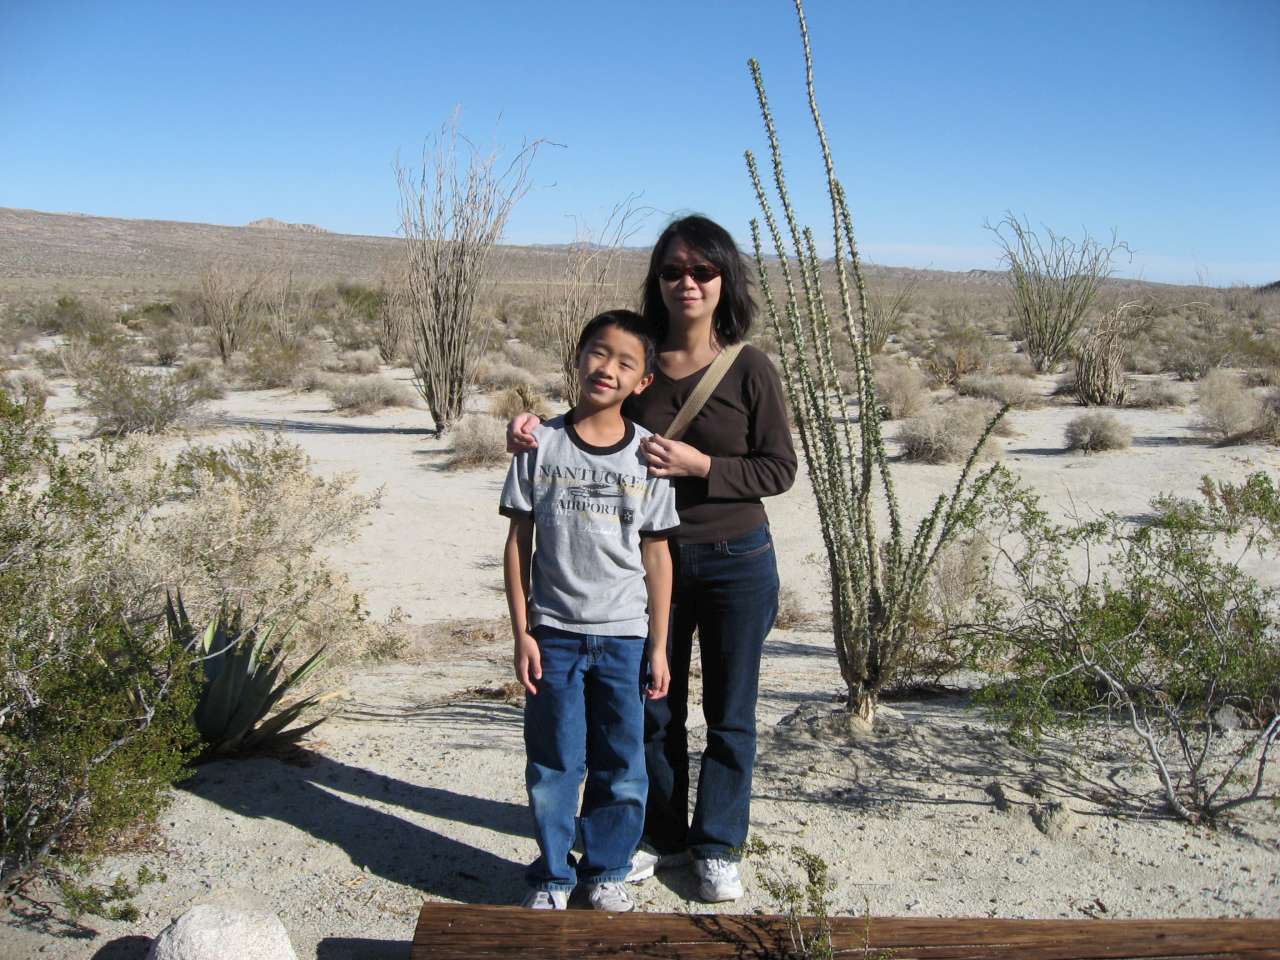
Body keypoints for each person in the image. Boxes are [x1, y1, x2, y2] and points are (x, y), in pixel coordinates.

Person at [508, 215, 797, 903]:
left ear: (726, 281)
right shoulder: (637, 357)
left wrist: (704, 465)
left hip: (735, 560)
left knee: (730, 713)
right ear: (657, 280)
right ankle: (658, 835)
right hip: (643, 570)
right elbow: (589, 418)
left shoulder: (749, 367)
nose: (688, 283)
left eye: (703, 271)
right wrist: (526, 427)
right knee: (653, 710)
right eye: (674, 271)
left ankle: (719, 843)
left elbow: (780, 468)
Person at [501, 309, 680, 912]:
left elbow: (657, 556)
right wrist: (522, 632)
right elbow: (517, 545)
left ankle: (607, 870)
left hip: (626, 638)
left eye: (626, 363)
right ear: (578, 357)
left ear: (642, 383)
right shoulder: (538, 445)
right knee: (554, 760)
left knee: (623, 763)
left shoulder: (648, 459)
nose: (608, 368)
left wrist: (658, 644)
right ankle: (553, 875)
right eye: (599, 353)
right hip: (553, 633)